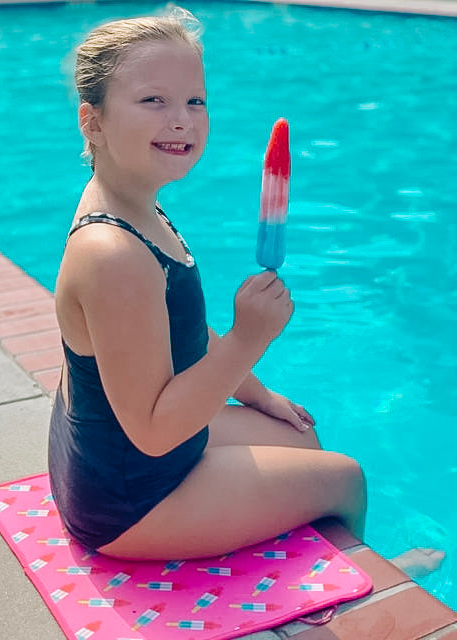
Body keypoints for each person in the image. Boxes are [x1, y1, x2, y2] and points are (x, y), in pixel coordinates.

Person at [48, 8, 443, 577]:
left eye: (195, 101)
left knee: (301, 438)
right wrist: (249, 338)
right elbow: (156, 433)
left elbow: (181, 331)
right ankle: (361, 600)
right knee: (346, 478)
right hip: (130, 500)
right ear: (94, 121)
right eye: (153, 101)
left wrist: (258, 395)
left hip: (111, 459)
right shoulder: (113, 255)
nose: (181, 120)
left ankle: (305, 575)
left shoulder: (132, 203)